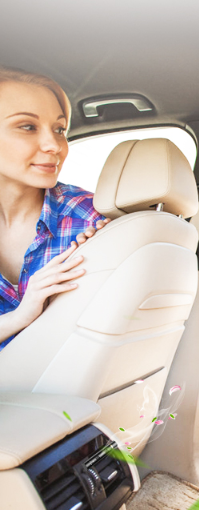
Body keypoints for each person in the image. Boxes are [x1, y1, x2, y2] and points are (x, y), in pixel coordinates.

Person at [0, 67, 107, 351]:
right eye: (27, 126)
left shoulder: (91, 221)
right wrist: (19, 317)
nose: (54, 145)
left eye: (59, 129)